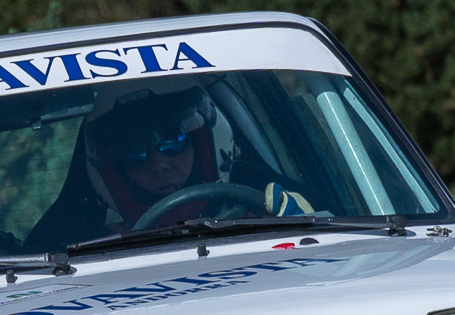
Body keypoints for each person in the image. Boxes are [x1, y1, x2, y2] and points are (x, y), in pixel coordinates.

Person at [24, 81, 312, 250]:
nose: (159, 164)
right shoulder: (88, 254)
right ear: (112, 173)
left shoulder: (268, 217)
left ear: (205, 145)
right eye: (134, 155)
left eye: (172, 143)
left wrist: (311, 227)